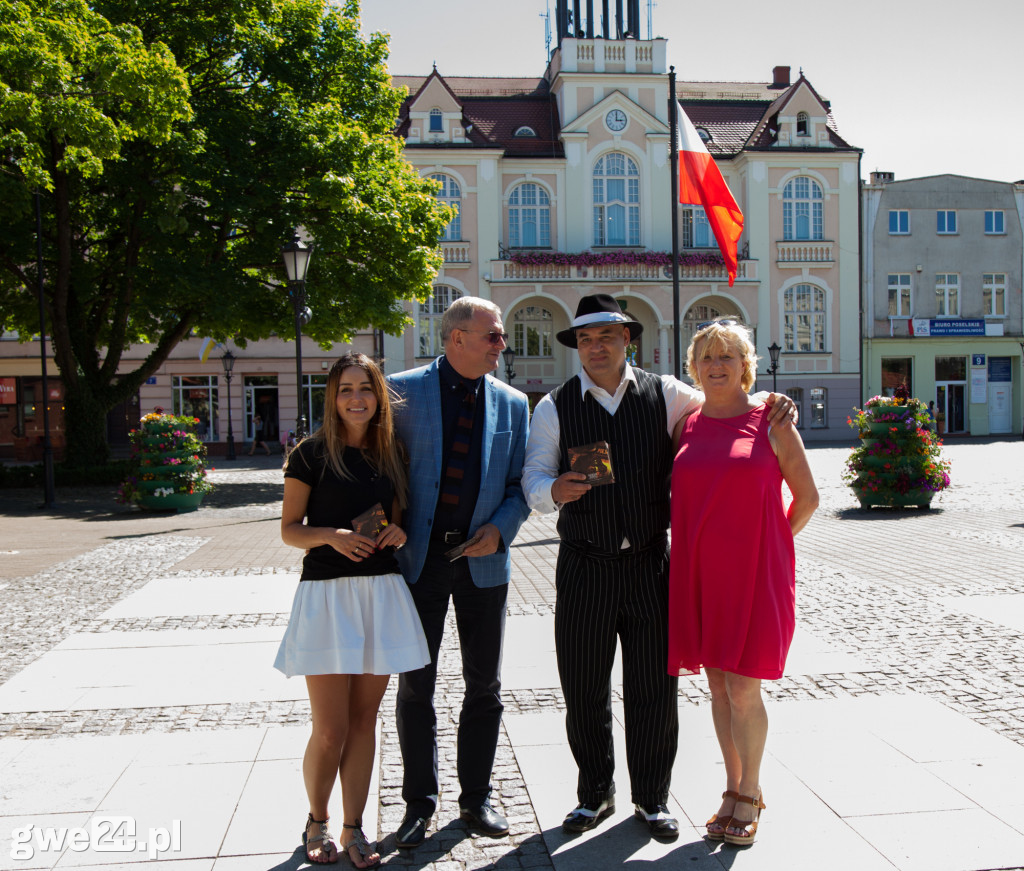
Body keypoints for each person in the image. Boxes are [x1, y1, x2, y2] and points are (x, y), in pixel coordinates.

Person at [522, 294, 795, 841]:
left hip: (650, 564)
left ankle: (651, 799)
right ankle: (593, 795)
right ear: (576, 347)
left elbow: (727, 396)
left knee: (653, 687)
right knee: (584, 688)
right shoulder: (554, 406)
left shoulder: (668, 395)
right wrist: (552, 490)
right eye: (585, 340)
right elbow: (532, 479)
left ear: (628, 340)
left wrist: (769, 398)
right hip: (585, 565)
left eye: (607, 337)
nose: (595, 348)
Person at [275, 353, 430, 867]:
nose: (356, 398)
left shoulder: (393, 454)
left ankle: (352, 828)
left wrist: (399, 531)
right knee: (330, 728)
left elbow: (398, 521)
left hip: (379, 593)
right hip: (326, 596)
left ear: (379, 395)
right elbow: (289, 529)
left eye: (365, 388)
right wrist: (331, 537)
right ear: (332, 396)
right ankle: (315, 821)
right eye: (346, 389)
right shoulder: (310, 454)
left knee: (365, 723)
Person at [668, 320, 818, 847]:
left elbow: (808, 498)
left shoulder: (772, 420)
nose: (716, 365)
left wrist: (771, 543)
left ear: (745, 365)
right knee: (715, 684)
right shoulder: (687, 424)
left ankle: (751, 791)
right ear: (694, 367)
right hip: (702, 575)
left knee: (743, 686)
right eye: (707, 357)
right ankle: (730, 787)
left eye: (727, 356)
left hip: (755, 575)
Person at [389, 297, 531, 848]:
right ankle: (418, 804)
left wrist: (500, 527)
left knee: (485, 686)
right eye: (493, 335)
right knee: (415, 686)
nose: (502, 344)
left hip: (483, 562)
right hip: (418, 561)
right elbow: (381, 469)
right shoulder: (401, 390)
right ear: (456, 338)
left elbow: (520, 485)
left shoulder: (514, 404)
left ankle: (476, 798)